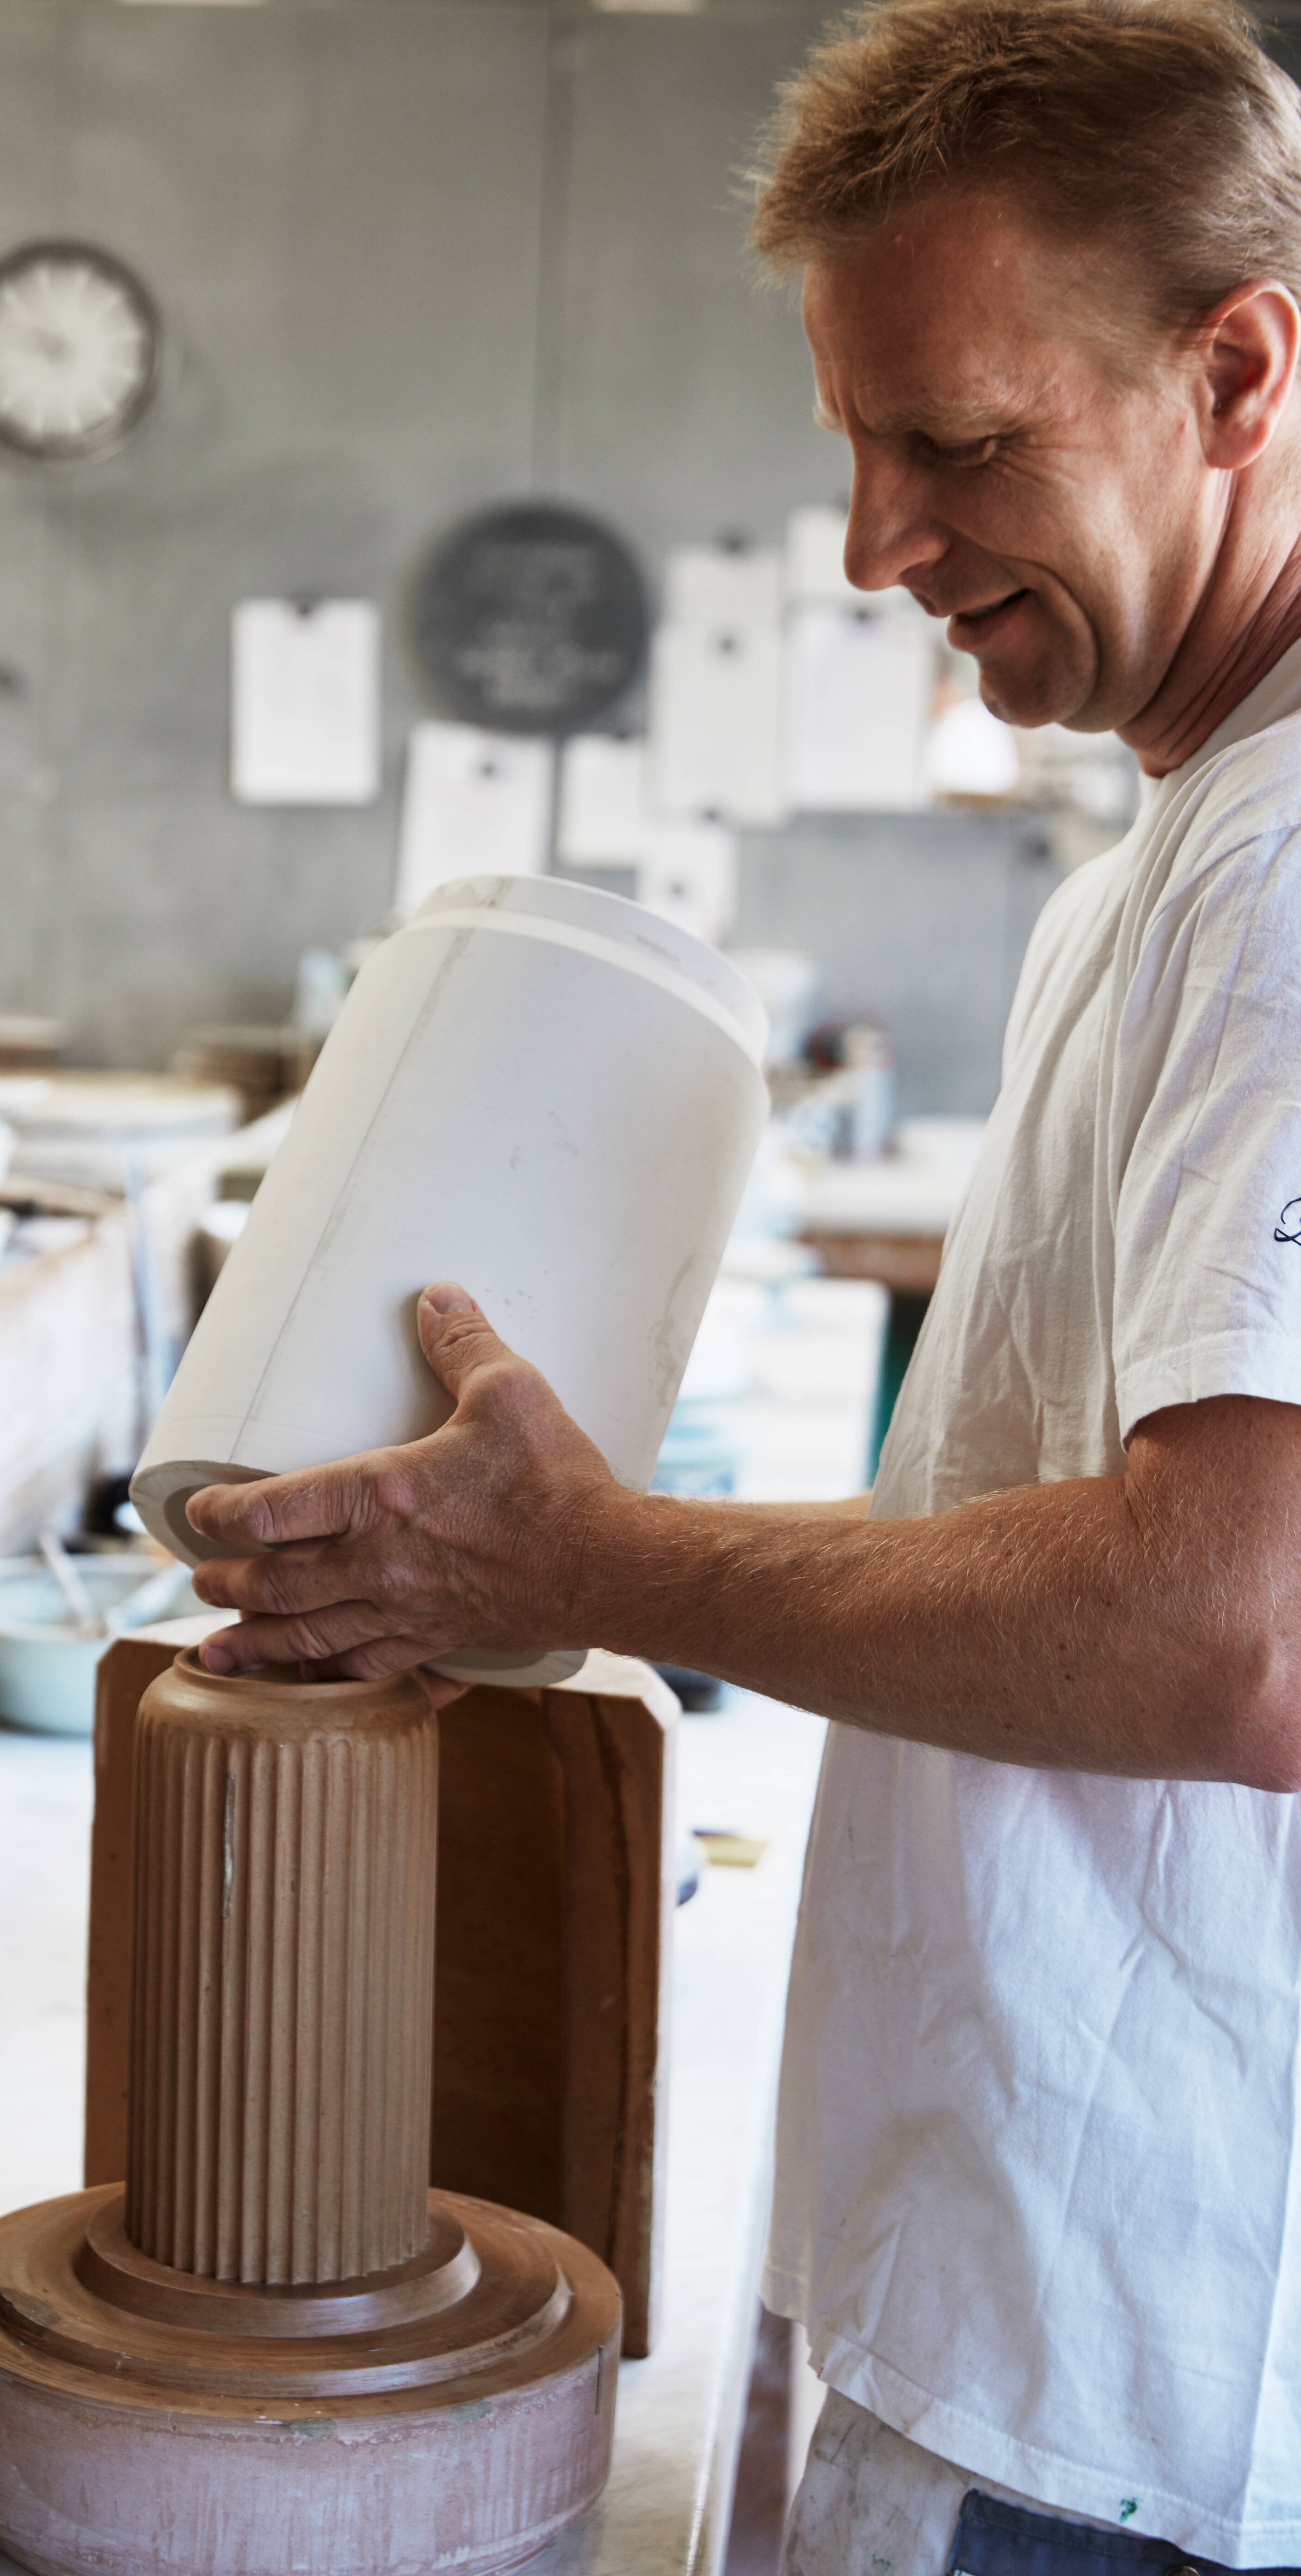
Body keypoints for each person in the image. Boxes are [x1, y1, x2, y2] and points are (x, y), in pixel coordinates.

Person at [186, 0, 1301, 2559]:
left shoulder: (1277, 864)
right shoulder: (1167, 845)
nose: (872, 546)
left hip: (1135, 2348)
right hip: (1032, 2261)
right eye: (853, 440)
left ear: (1234, 371)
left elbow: (1243, 1627)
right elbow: (1085, 1528)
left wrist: (589, 1560)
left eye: (960, 442)